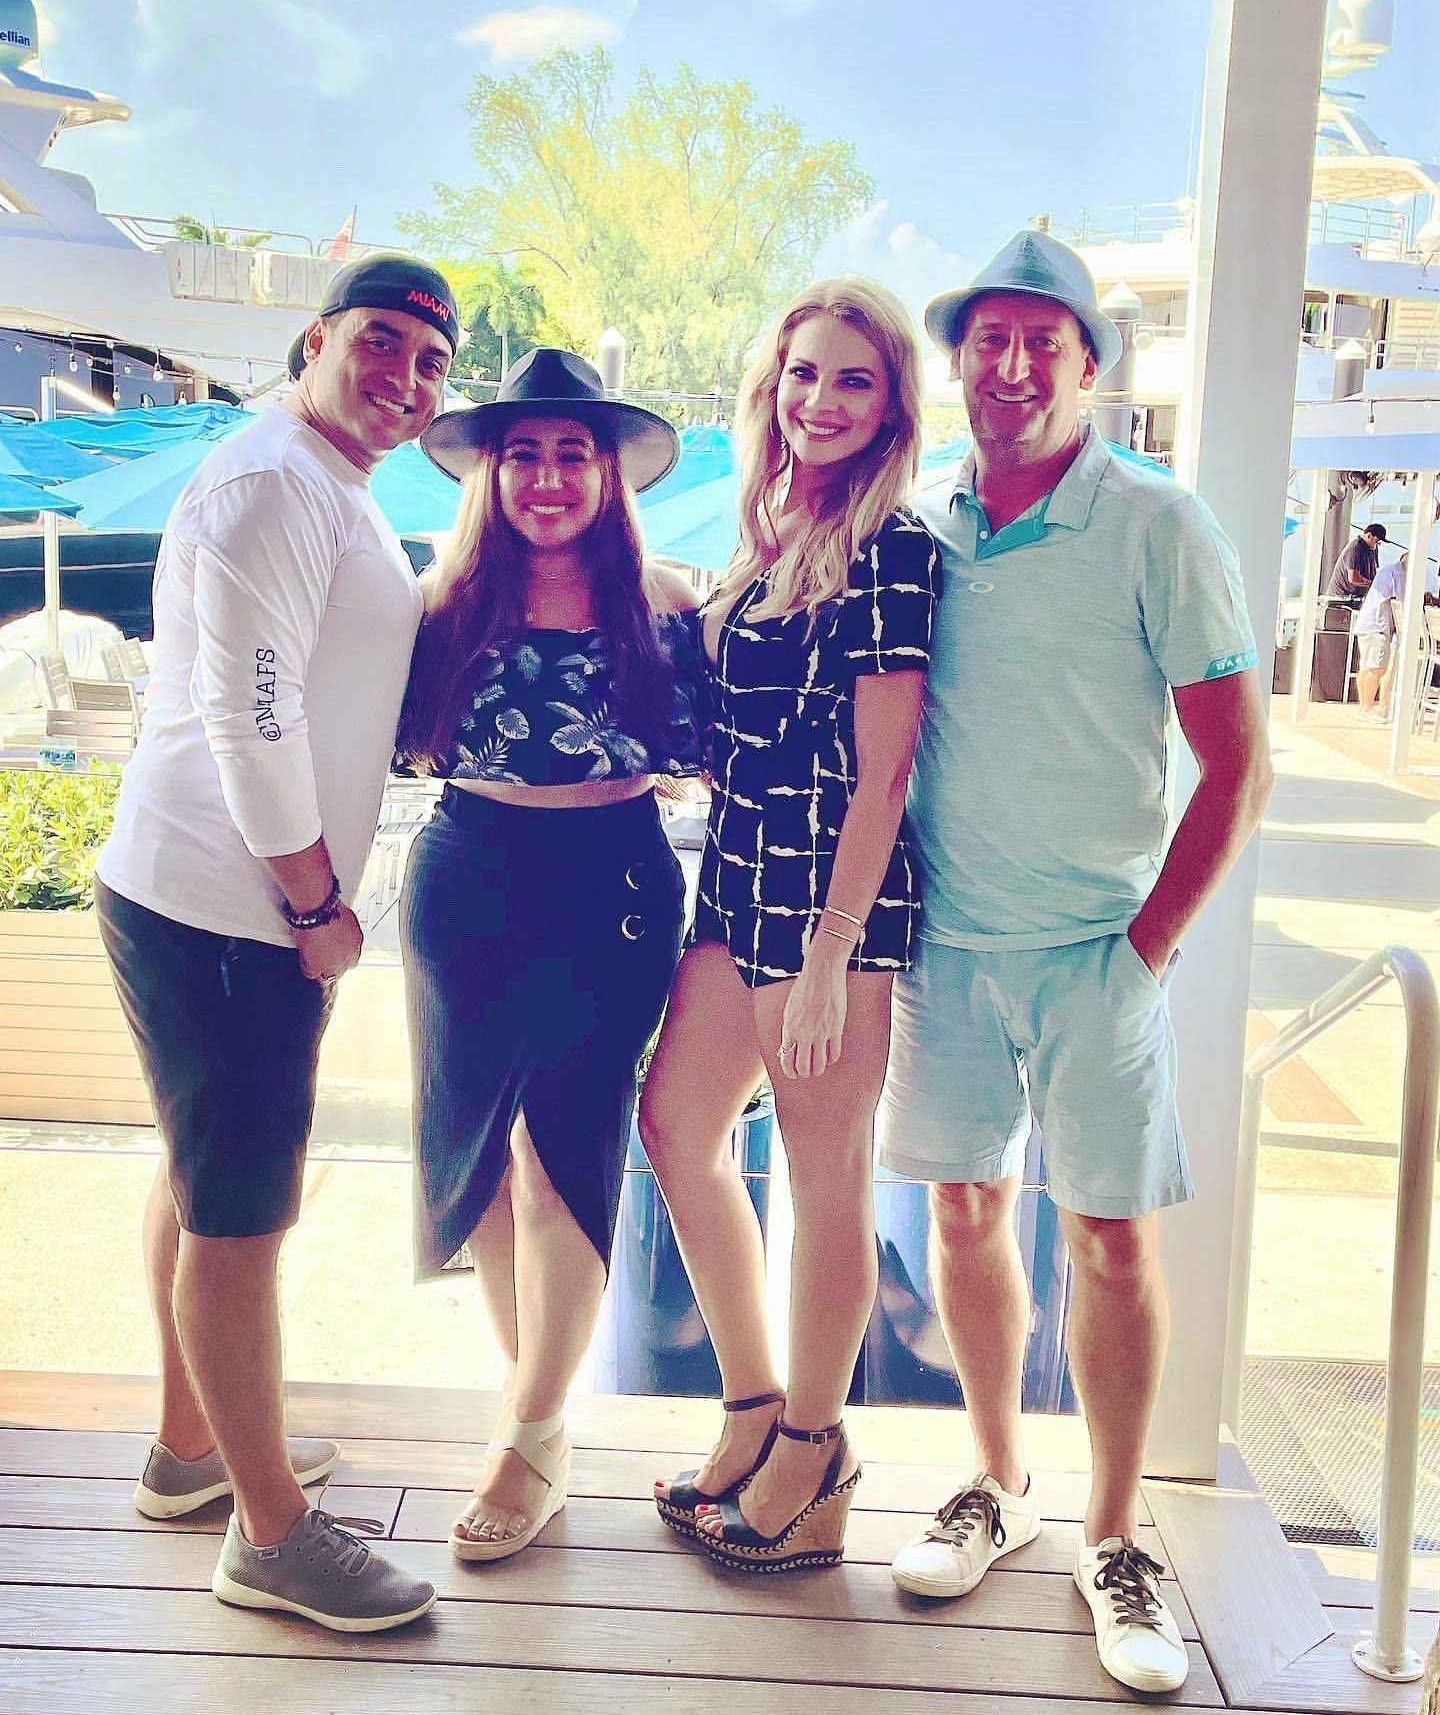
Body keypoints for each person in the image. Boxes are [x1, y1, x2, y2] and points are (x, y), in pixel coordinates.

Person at [880, 230, 1272, 1694]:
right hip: (946, 944)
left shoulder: (1159, 523)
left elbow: (1238, 764)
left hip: (1099, 953)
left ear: (1090, 366)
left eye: (1043, 340)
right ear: (958, 360)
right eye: (988, 338)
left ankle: (1113, 1538)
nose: (1012, 363)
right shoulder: (918, 521)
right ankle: (998, 1483)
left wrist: (1148, 946)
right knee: (967, 1212)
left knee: (1109, 1237)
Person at [95, 254, 459, 1630]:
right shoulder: (269, 483)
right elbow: (253, 719)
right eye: (381, 343)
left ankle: (193, 1448)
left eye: (430, 363)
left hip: (208, 898)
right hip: (228, 907)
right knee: (245, 1213)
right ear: (315, 340)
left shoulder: (325, 482)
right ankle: (269, 1534)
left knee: (204, 1180)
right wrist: (315, 906)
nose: (405, 379)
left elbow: (322, 682)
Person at [641, 278, 941, 1574]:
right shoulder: (771, 536)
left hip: (829, 899)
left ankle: (817, 1455)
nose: (822, 399)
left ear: (891, 408)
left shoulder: (890, 547)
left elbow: (886, 770)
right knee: (675, 1126)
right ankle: (754, 1407)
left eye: (853, 379)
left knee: (825, 1181)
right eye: (803, 373)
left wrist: (830, 955)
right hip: (736, 877)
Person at [397, 348, 704, 1563]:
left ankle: (527, 1434)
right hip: (467, 876)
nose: (547, 476)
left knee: (561, 1155)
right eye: (522, 453)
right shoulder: (439, 602)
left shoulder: (667, 602)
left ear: (608, 473)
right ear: (492, 472)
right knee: (480, 1154)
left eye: (572, 453)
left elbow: (717, 752)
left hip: (612, 886)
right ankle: (540, 1419)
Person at [1354, 550, 1406, 717]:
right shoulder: (1399, 574)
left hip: (1367, 624)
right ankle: (1367, 709)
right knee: (1376, 669)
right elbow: (1403, 602)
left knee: (1366, 668)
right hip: (1377, 626)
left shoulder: (1388, 570)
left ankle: (1363, 708)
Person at [1326, 521, 1386, 604]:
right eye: (1377, 541)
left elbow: (1373, 573)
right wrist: (1373, 584)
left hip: (1356, 598)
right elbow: (1353, 578)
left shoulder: (1373, 548)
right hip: (1340, 599)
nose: (1377, 545)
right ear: (1369, 535)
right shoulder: (1355, 548)